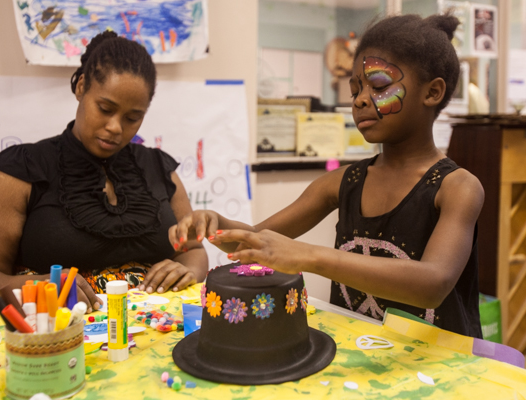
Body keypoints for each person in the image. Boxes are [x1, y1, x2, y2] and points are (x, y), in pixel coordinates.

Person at [170, 14, 484, 337]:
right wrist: (214, 225)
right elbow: (255, 240)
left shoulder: (458, 188)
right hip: (363, 354)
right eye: (355, 90)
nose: (360, 99)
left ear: (432, 92)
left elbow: (433, 283)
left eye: (378, 86)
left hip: (438, 360)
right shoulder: (343, 182)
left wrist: (310, 256)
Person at [0, 31, 208, 314]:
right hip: (58, 335)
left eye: (132, 117)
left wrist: (186, 270)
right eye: (105, 108)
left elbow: (193, 251)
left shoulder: (159, 169)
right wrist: (41, 288)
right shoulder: (20, 171)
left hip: (155, 331)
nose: (115, 127)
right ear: (81, 87)